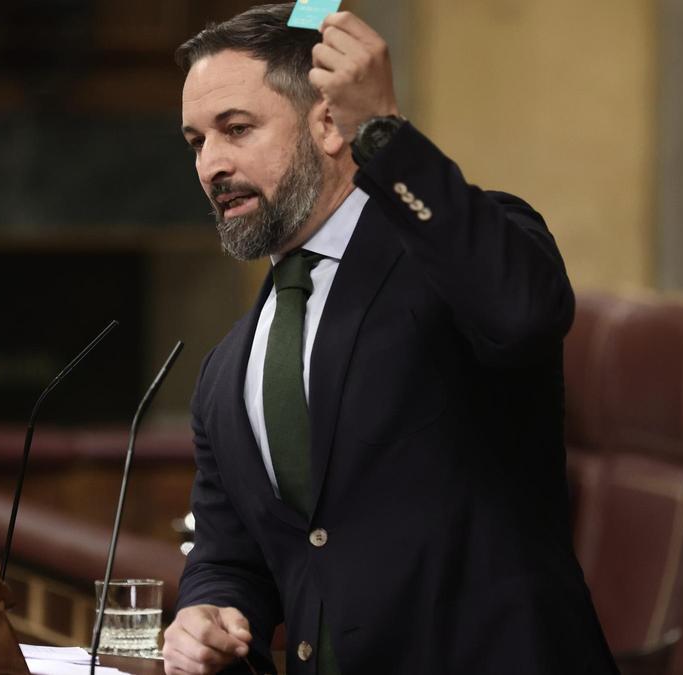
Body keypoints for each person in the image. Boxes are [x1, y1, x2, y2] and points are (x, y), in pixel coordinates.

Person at [164, 4, 617, 674]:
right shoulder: (227, 366)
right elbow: (232, 557)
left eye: (236, 129)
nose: (212, 166)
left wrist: (382, 133)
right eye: (197, 141)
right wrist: (208, 611)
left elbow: (523, 311)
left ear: (326, 122)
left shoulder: (453, 259)